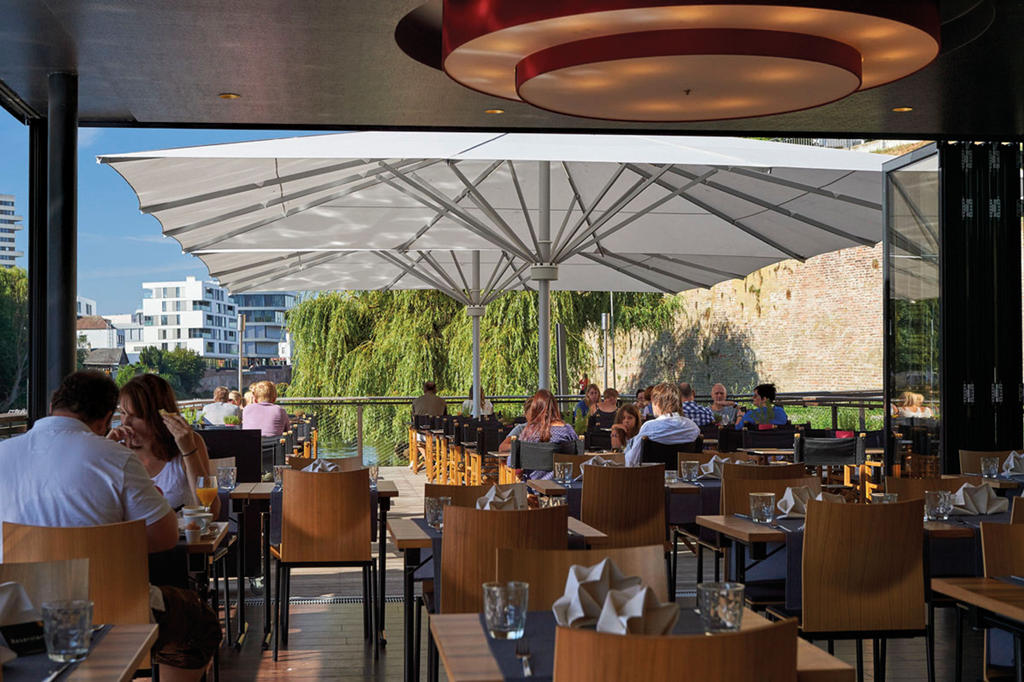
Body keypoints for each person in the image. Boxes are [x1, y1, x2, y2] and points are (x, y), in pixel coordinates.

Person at [0, 371, 220, 681]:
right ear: (105, 419)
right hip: (106, 608)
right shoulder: (113, 456)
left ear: (53, 404)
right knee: (198, 625)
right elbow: (166, 536)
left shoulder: (3, 453)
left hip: (16, 617)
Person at [113, 374, 220, 518]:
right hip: (127, 538)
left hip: (179, 539)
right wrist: (103, 454)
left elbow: (210, 510)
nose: (126, 422)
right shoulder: (116, 449)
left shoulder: (188, 442)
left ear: (159, 417)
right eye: (123, 413)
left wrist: (188, 451)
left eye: (136, 416)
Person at [499, 389, 579, 480]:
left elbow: (512, 462)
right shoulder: (567, 430)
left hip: (534, 487)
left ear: (535, 408)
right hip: (563, 485)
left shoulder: (529, 432)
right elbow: (579, 457)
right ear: (555, 408)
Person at [624, 382, 699, 466]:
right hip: (681, 476)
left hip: (652, 476)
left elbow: (631, 461)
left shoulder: (648, 428)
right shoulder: (692, 427)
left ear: (657, 403)